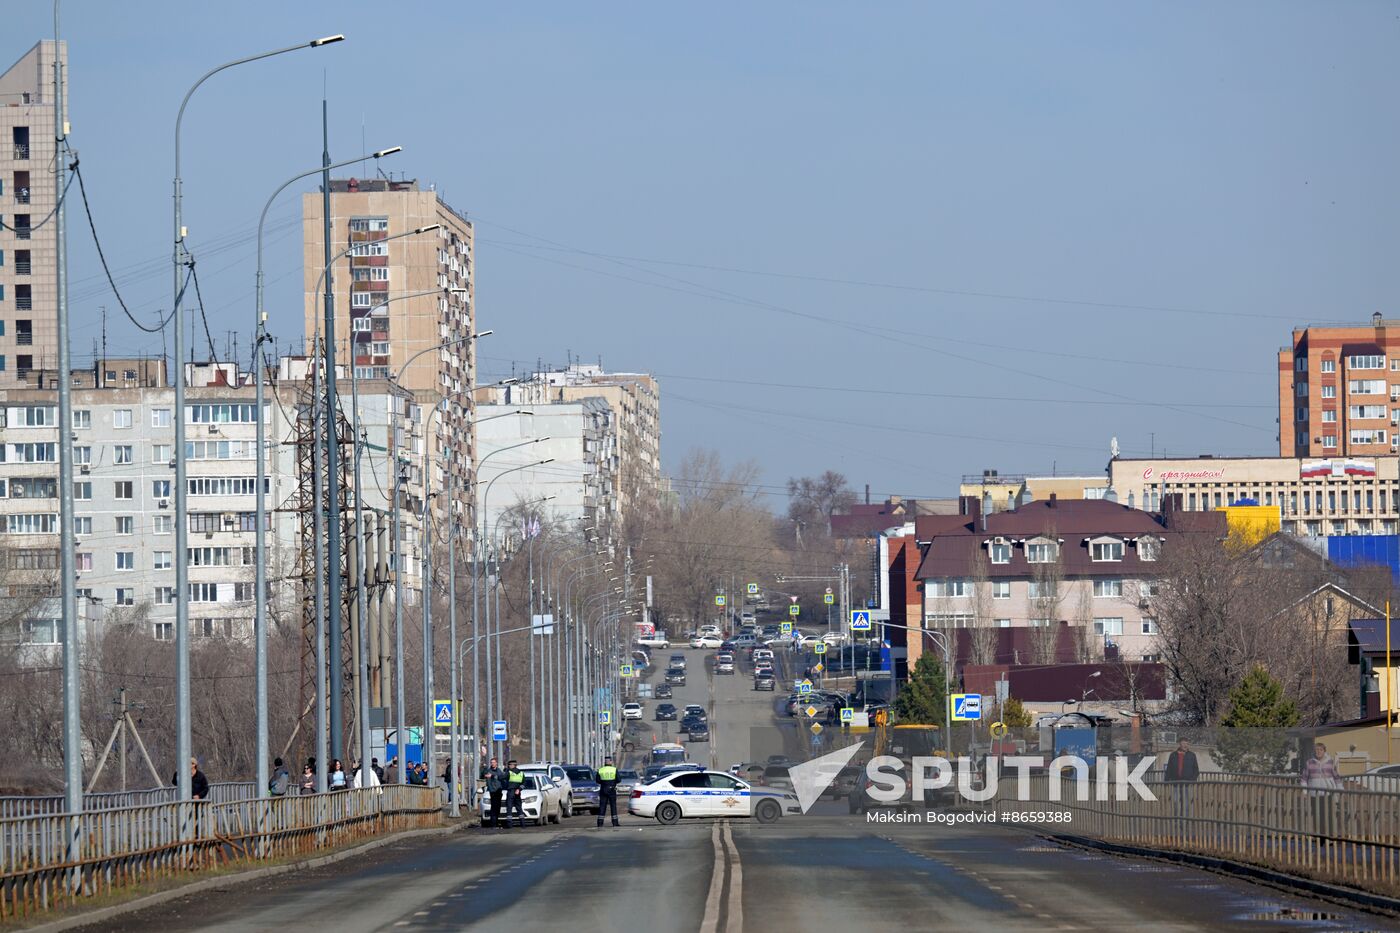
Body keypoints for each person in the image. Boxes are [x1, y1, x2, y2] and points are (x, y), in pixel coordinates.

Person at [1301, 741, 1343, 837]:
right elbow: (1304, 778)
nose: (1318, 752)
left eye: (1320, 750)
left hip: (1328, 793)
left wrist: (1340, 790)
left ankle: (1331, 834)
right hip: (1314, 793)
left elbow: (1337, 778)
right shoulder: (1309, 762)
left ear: (1324, 751)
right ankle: (1319, 835)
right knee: (1316, 815)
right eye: (1316, 750)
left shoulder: (1331, 762)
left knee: (1329, 814)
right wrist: (1304, 791)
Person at [1163, 739, 1200, 826]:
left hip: (1187, 783)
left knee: (1186, 803)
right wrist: (1166, 781)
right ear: (1179, 744)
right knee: (1175, 802)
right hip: (1176, 782)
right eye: (1183, 743)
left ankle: (1185, 820)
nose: (1185, 745)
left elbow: (1196, 770)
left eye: (1186, 743)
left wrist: (1192, 780)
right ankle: (1176, 819)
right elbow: (1169, 769)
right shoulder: (1173, 755)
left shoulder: (1191, 755)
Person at [481, 756, 506, 828]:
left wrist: (494, 776)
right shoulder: (488, 771)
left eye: (494, 762)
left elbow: (502, 778)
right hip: (493, 792)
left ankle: (497, 822)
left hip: (499, 791)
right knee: (493, 808)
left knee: (498, 807)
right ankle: (493, 824)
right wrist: (491, 790)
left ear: (496, 763)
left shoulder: (499, 771)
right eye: (491, 763)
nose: (492, 764)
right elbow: (487, 780)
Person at [595, 755, 620, 828]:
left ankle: (600, 823)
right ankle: (615, 823)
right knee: (613, 806)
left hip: (603, 789)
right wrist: (613, 783)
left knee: (602, 806)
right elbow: (619, 780)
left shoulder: (600, 770)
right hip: (612, 789)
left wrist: (604, 783)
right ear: (611, 762)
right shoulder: (614, 769)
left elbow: (597, 780)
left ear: (605, 762)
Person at [505, 760, 526, 828]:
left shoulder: (509, 772)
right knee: (519, 808)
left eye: (509, 765)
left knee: (509, 808)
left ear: (512, 765)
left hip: (511, 792)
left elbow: (501, 777)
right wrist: (519, 789)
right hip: (517, 792)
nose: (509, 766)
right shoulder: (521, 773)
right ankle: (523, 824)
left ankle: (509, 825)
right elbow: (524, 784)